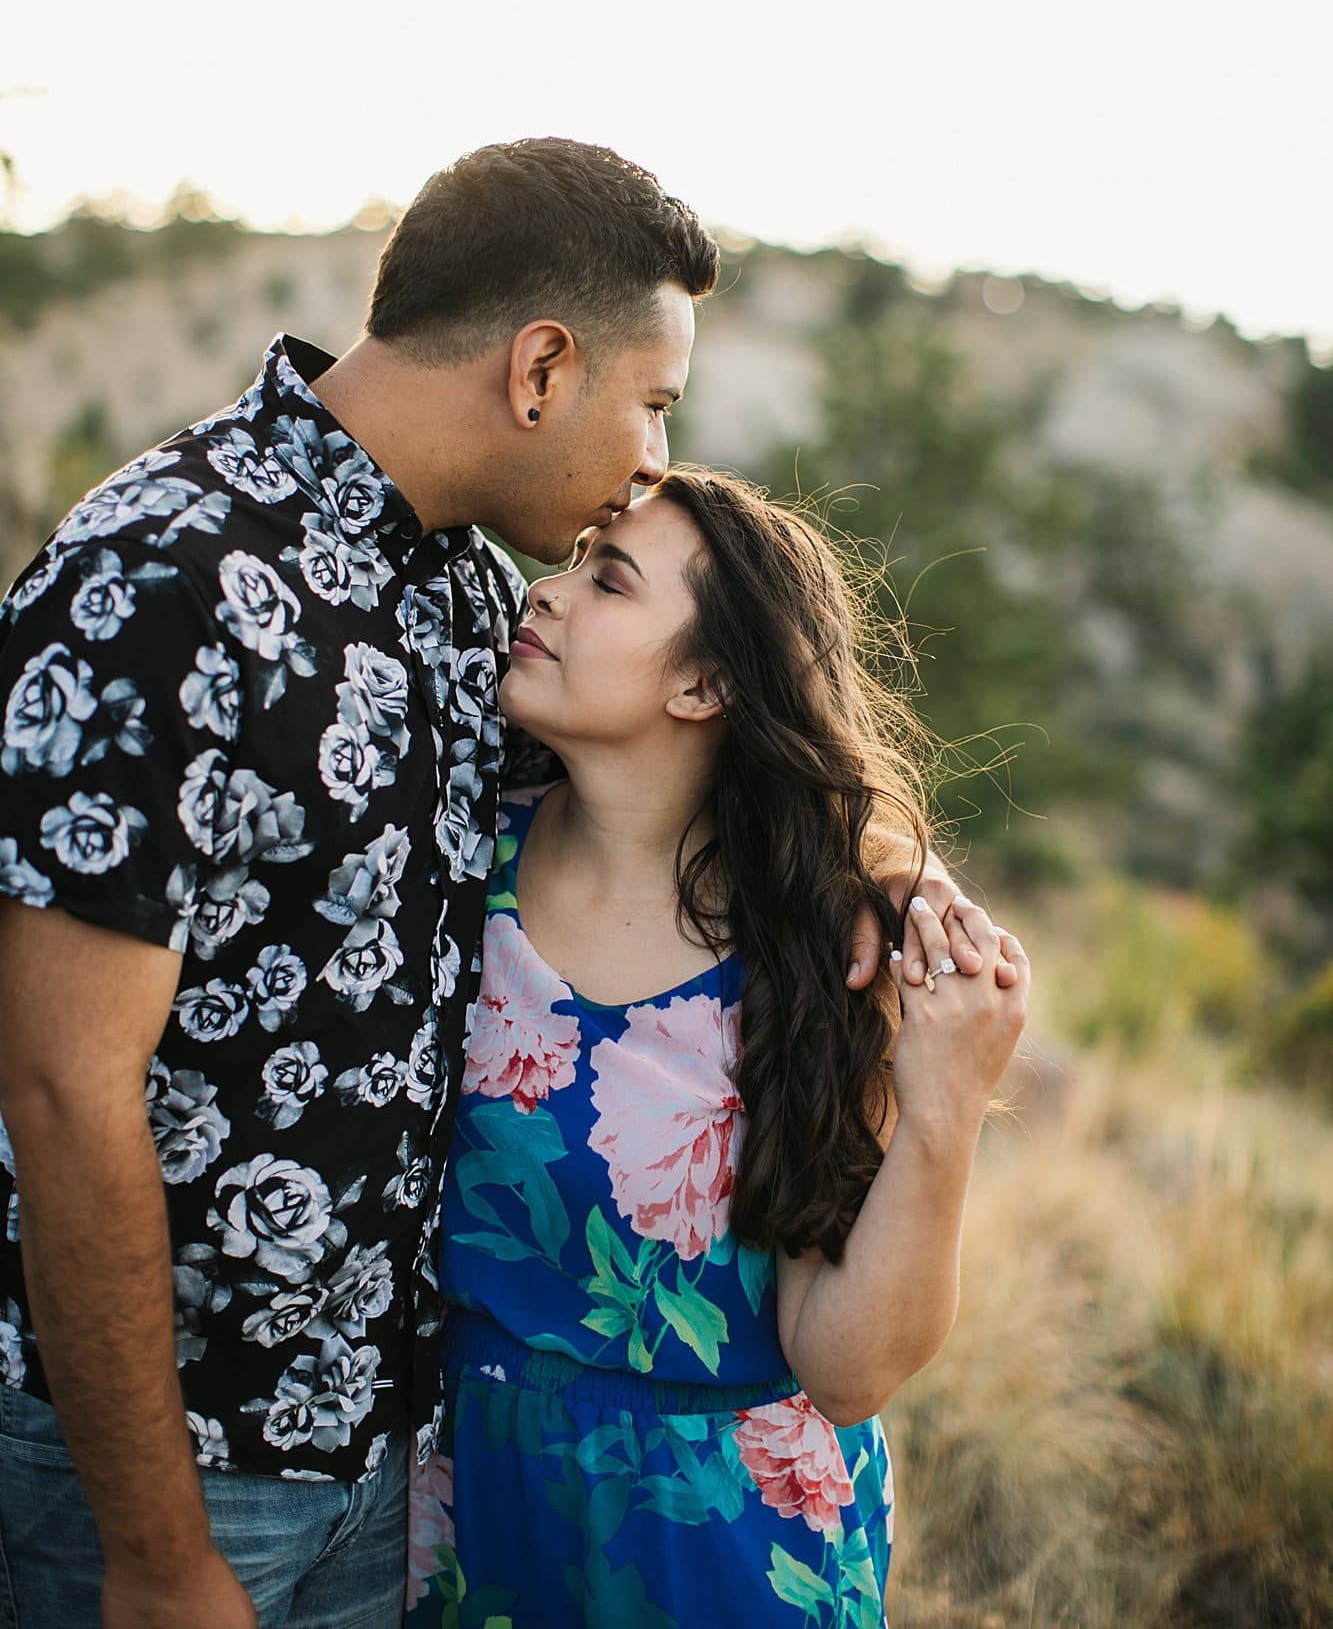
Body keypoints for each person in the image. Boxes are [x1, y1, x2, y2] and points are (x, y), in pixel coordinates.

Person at [0, 140, 988, 1629]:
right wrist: (152, 1547)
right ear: (542, 368)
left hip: (408, 1464)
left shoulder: (465, 594)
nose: (653, 453)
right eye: (651, 400)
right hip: (156, 1467)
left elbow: (680, 774)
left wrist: (875, 884)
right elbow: (63, 1085)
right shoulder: (162, 581)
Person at [404, 469, 1029, 1628]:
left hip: (721, 1544)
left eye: (606, 580)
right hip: (471, 1506)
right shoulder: (453, 850)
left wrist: (939, 1106)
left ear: (704, 680)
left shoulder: (814, 955)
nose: (541, 595)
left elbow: (844, 1366)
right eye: (572, 560)